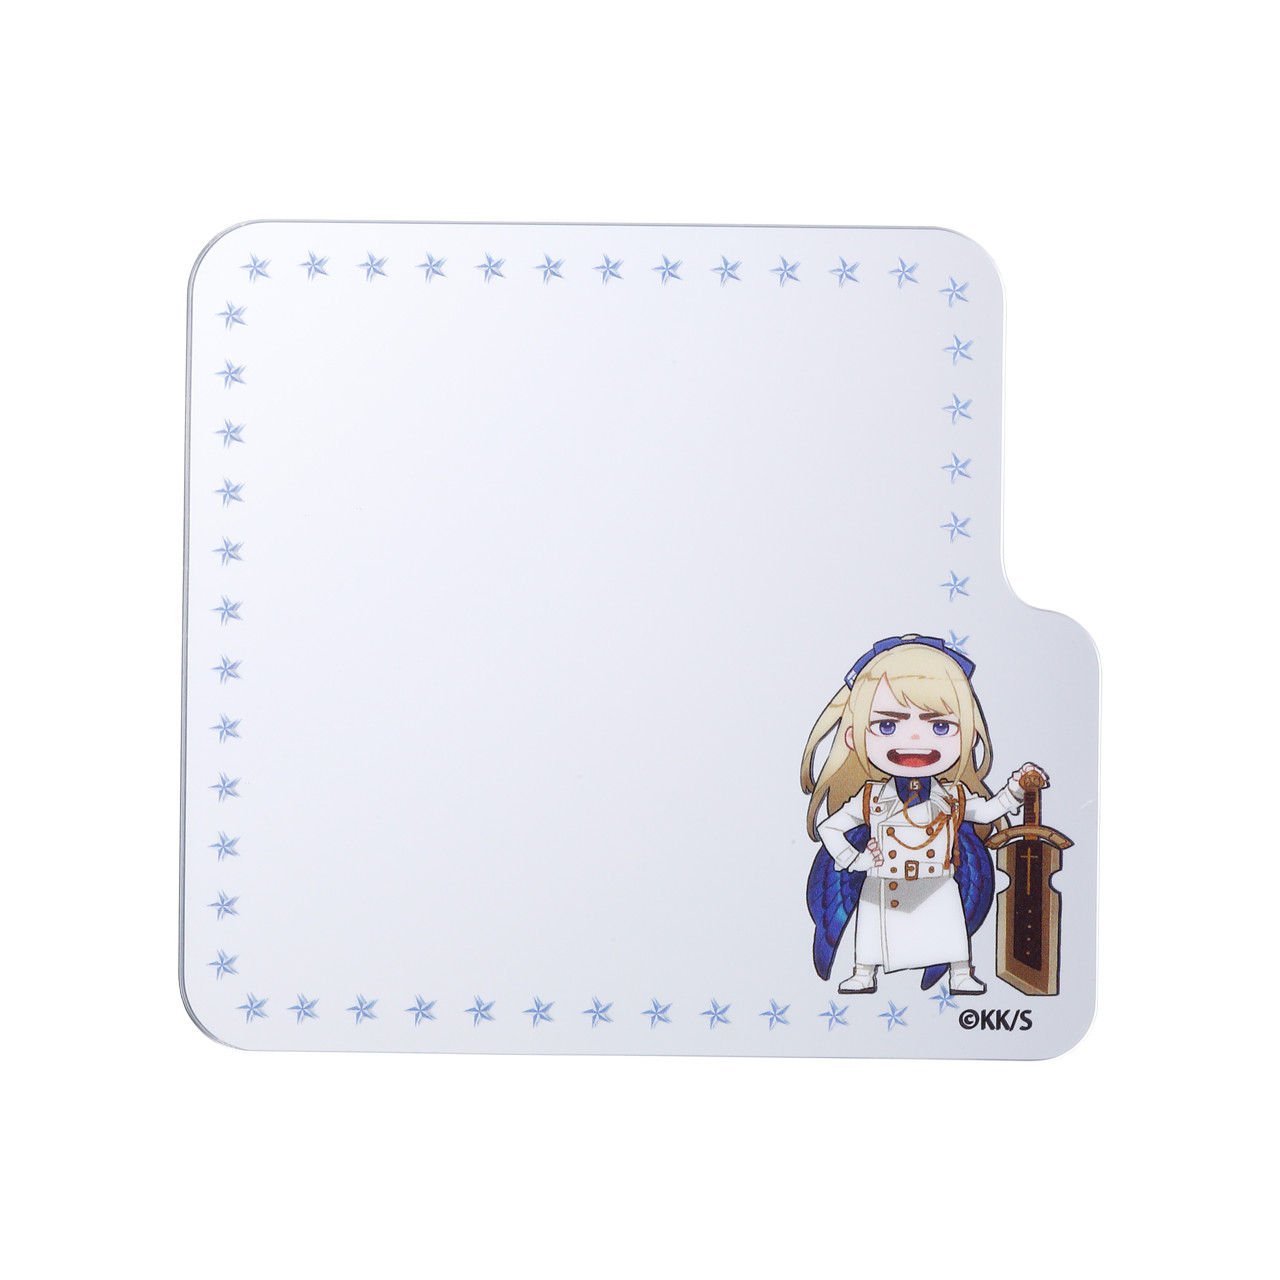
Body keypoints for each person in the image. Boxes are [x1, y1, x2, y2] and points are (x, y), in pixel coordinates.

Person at [801, 635, 1047, 995]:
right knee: (872, 933)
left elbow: (988, 811)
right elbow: (829, 827)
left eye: (940, 726)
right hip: (884, 883)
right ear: (853, 737)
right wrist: (854, 860)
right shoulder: (870, 798)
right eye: (887, 725)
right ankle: (863, 972)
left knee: (950, 930)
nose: (915, 739)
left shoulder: (952, 798)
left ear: (968, 736)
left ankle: (960, 972)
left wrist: (1015, 789)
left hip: (937, 883)